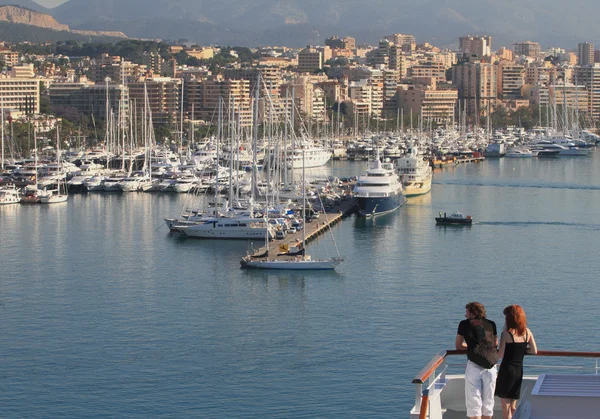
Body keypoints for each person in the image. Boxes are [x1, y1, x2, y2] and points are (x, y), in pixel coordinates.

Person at [456, 302, 499, 419]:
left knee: (474, 402)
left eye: (467, 312)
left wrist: (471, 347)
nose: (465, 315)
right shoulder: (491, 324)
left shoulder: (464, 324)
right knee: (488, 402)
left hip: (474, 365)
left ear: (473, 313)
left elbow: (458, 346)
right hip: (490, 365)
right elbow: (495, 344)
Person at [495, 305, 538, 419]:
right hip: (518, 371)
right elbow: (534, 351)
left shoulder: (506, 334)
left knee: (506, 407)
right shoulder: (527, 332)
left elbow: (501, 355)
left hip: (506, 371)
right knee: (513, 406)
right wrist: (522, 350)